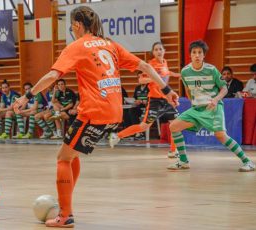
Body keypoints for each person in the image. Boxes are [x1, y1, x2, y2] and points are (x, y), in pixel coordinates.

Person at [13, 6, 178, 228]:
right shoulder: (109, 44)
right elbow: (145, 66)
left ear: (78, 25)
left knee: (63, 158)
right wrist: (167, 91)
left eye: (72, 25)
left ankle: (65, 215)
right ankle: (65, 202)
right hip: (115, 112)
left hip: (94, 111)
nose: (72, 29)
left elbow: (53, 75)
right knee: (73, 154)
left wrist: (27, 96)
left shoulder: (77, 47)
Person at [167, 40, 255, 172]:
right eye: (194, 52)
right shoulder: (185, 72)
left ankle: (248, 162)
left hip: (213, 107)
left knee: (221, 136)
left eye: (200, 52)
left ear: (204, 55)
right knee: (173, 126)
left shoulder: (211, 70)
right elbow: (188, 89)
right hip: (197, 109)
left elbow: (224, 89)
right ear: (190, 55)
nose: (197, 55)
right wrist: (194, 102)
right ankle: (184, 161)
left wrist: (215, 100)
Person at [109, 41, 180, 158]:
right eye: (156, 49)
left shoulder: (165, 62)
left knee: (176, 124)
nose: (158, 51)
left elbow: (166, 72)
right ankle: (117, 136)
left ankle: (173, 150)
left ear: (164, 51)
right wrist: (154, 78)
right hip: (155, 101)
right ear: (153, 52)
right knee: (143, 126)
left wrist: (177, 75)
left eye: (160, 49)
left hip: (166, 100)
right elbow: (141, 80)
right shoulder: (150, 65)